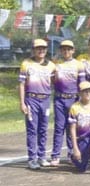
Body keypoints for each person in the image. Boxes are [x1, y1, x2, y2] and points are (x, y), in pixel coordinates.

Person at [20, 39, 57, 169]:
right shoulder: (26, 64)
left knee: (43, 129)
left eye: (43, 48)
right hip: (31, 99)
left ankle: (42, 157)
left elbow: (54, 82)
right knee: (32, 129)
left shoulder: (51, 65)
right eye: (38, 48)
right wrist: (22, 103)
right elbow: (21, 84)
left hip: (45, 100)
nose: (41, 50)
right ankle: (32, 159)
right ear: (33, 50)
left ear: (46, 50)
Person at [51, 40, 86, 167]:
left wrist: (82, 100)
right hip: (60, 99)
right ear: (61, 50)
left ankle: (71, 154)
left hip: (74, 99)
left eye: (69, 49)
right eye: (64, 49)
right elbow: (51, 80)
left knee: (72, 127)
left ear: (73, 50)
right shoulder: (56, 64)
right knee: (59, 127)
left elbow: (82, 83)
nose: (66, 51)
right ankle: (55, 155)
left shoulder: (79, 65)